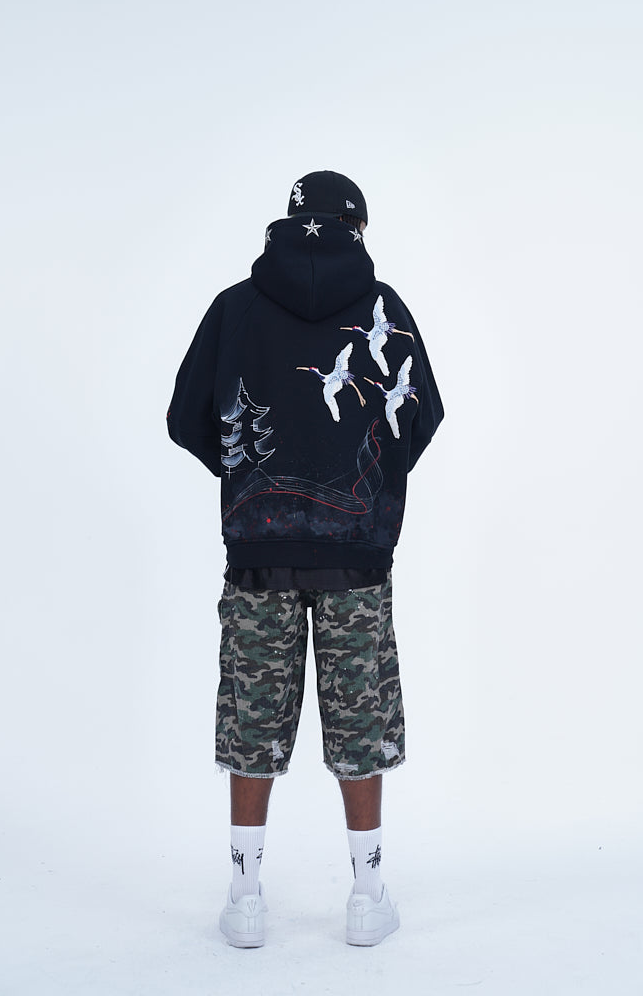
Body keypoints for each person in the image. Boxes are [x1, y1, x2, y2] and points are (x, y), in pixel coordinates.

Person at [167, 170, 443, 948]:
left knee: (252, 716)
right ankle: (367, 896)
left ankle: (245, 899)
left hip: (257, 551)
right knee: (361, 719)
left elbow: (186, 418)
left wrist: (247, 478)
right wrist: (372, 489)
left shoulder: (234, 309)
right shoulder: (387, 309)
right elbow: (422, 417)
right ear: (359, 227)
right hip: (357, 556)